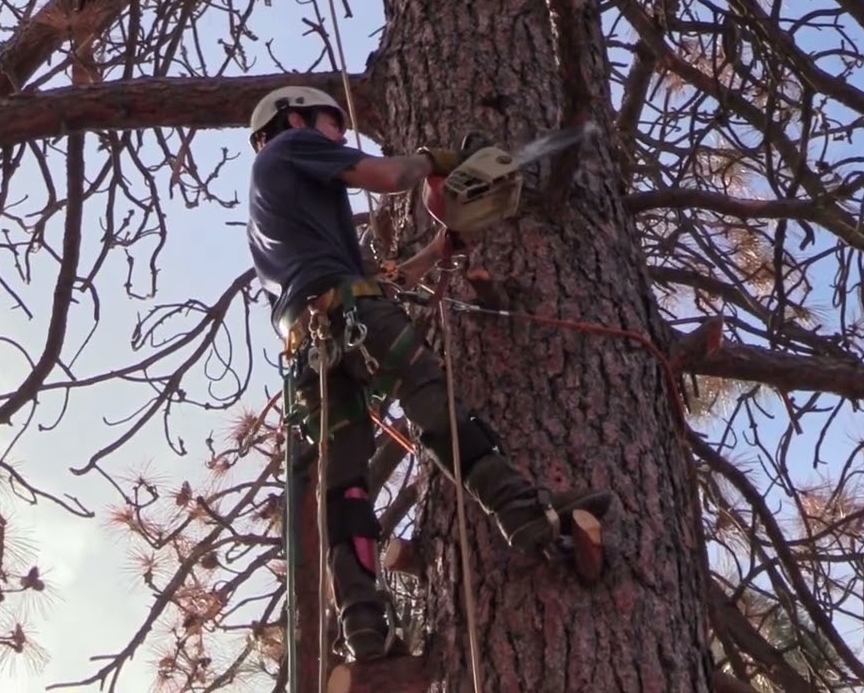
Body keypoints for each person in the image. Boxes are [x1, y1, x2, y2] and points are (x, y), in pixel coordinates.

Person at [246, 86, 613, 662]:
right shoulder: (292, 146)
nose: (341, 136)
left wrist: (441, 247)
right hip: (347, 315)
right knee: (428, 397)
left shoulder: (288, 208)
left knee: (344, 480)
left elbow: (384, 281)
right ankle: (520, 511)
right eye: (332, 123)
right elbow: (390, 178)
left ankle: (363, 622)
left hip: (309, 347)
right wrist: (432, 160)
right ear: (295, 118)